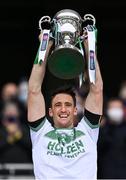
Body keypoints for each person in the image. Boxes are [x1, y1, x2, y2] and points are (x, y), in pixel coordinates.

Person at [27, 31, 103, 180]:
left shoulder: (88, 131)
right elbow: (34, 91)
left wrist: (89, 47)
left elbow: (97, 90)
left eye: (68, 105)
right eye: (58, 105)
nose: (63, 109)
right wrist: (44, 46)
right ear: (50, 111)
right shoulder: (40, 132)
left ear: (75, 110)